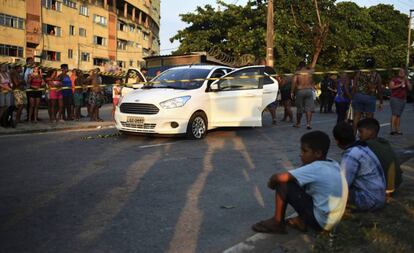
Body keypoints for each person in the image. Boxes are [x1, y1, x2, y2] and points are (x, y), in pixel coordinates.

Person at [252, 131, 348, 234]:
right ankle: (301, 221)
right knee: (297, 182)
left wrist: (271, 183)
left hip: (321, 222)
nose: (300, 154)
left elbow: (278, 178)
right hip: (333, 221)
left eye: (304, 151)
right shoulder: (332, 163)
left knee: (284, 184)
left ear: (318, 153)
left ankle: (277, 222)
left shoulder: (316, 168)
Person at [333, 122, 385, 211]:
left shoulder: (351, 155)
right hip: (379, 196)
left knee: (329, 192)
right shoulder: (362, 146)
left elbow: (343, 185)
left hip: (370, 200)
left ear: (337, 141)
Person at [357, 118, 402, 196]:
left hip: (382, 188)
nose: (359, 135)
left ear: (371, 132)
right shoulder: (384, 143)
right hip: (396, 184)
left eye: (361, 131)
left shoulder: (366, 146)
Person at [352, 58, 383, 133]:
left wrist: (352, 97)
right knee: (369, 118)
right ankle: (368, 135)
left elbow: (354, 85)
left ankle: (353, 134)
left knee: (356, 117)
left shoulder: (359, 73)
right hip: (370, 97)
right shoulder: (376, 75)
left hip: (358, 96)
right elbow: (379, 89)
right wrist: (381, 101)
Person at [291, 61, 315, 129]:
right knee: (309, 109)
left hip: (300, 90)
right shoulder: (310, 72)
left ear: (299, 66)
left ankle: (298, 124)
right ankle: (308, 124)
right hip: (309, 90)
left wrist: (292, 92)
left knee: (299, 108)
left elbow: (294, 82)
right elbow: (313, 66)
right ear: (305, 65)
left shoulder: (297, 72)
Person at [389, 68, 412, 135]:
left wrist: (407, 82)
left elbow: (410, 89)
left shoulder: (406, 80)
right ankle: (392, 130)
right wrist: (400, 84)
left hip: (403, 99)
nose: (401, 72)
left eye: (403, 72)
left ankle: (398, 129)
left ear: (405, 73)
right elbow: (391, 87)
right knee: (395, 114)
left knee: (399, 115)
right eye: (400, 71)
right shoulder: (394, 79)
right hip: (395, 98)